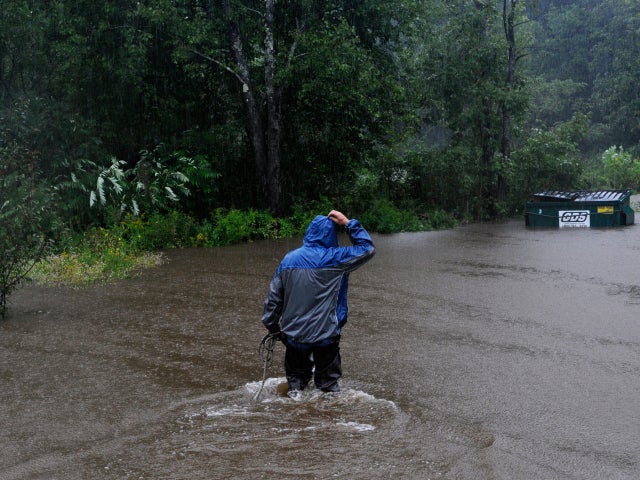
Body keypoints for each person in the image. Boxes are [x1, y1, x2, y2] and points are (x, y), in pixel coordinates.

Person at [261, 210, 375, 398]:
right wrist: (347, 223)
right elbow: (367, 249)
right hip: (326, 337)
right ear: (331, 235)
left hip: (294, 337)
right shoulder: (337, 259)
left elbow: (273, 299)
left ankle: (294, 417)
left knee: (295, 388)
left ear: (309, 233)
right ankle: (325, 423)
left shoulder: (289, 259)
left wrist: (273, 327)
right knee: (328, 391)